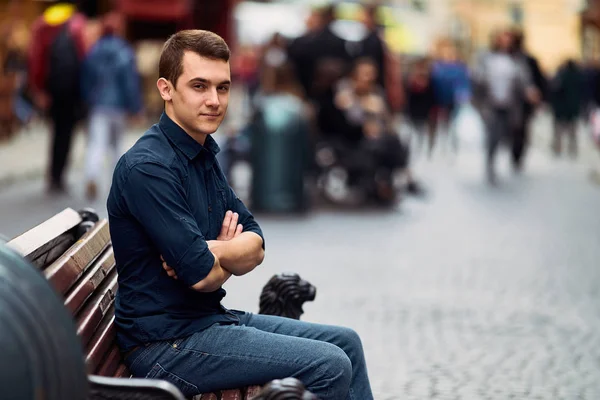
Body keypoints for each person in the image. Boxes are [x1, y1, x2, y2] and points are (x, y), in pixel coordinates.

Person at [106, 30, 373, 399]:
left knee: (347, 344)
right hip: (167, 345)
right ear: (166, 89)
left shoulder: (201, 153)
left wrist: (213, 250)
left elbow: (257, 243)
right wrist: (219, 257)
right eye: (199, 86)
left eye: (223, 87)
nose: (214, 100)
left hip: (209, 322)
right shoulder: (149, 167)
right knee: (329, 363)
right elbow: (202, 277)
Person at [27, 0, 88, 193]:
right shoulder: (77, 24)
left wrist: (38, 89)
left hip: (53, 90)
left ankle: (53, 175)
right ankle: (59, 175)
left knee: (56, 131)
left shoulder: (42, 25)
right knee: (67, 133)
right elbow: (84, 58)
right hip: (72, 92)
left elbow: (36, 60)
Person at [81, 11, 142, 200]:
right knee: (117, 146)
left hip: (99, 105)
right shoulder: (124, 51)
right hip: (119, 107)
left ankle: (92, 176)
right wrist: (135, 107)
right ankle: (119, 183)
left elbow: (85, 79)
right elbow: (130, 82)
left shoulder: (94, 51)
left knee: (96, 144)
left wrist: (88, 99)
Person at [473, 28, 537, 184]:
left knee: (508, 134)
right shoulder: (486, 57)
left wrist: (529, 91)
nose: (505, 42)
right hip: (491, 104)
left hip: (510, 105)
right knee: (493, 135)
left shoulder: (516, 60)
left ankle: (510, 157)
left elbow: (524, 80)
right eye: (502, 38)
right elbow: (476, 76)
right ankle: (490, 164)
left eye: (508, 39)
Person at [550, 59, 583, 157]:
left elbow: (555, 91)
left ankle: (557, 148)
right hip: (573, 108)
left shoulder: (561, 76)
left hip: (561, 108)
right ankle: (572, 149)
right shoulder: (579, 76)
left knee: (559, 130)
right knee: (572, 131)